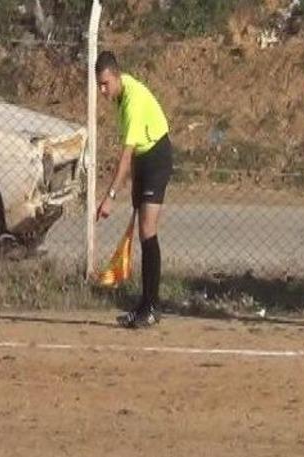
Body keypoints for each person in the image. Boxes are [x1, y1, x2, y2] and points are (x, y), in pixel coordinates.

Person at [95, 51, 173, 329]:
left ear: (116, 76)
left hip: (156, 158)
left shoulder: (132, 103)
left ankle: (152, 307)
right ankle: (145, 304)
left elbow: (125, 158)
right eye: (99, 85)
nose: (103, 90)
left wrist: (110, 197)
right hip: (144, 158)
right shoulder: (121, 93)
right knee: (142, 232)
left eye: (106, 83)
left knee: (148, 231)